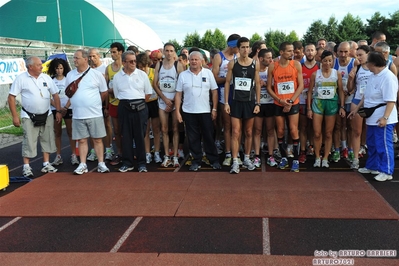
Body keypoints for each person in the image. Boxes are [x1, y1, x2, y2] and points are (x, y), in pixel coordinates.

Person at [8, 56, 63, 177]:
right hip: (28, 115)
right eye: (38, 65)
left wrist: (58, 111)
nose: (41, 66)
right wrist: (15, 116)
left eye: (41, 64)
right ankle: (26, 167)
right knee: (29, 140)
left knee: (47, 138)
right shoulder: (21, 79)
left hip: (47, 113)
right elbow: (11, 97)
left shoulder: (46, 77)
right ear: (30, 67)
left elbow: (55, 95)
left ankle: (46, 163)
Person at [349, 51, 398, 182]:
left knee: (383, 144)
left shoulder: (388, 77)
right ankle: (373, 166)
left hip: (382, 116)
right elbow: (366, 95)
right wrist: (357, 109)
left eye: (367, 62)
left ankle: (386, 170)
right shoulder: (373, 75)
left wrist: (385, 118)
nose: (366, 65)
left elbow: (391, 101)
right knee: (372, 143)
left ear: (373, 63)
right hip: (371, 116)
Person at [175, 51, 221, 171]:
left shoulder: (208, 73)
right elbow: (179, 94)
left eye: (196, 59)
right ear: (189, 61)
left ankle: (213, 160)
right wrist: (178, 112)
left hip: (205, 111)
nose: (194, 61)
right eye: (192, 59)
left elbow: (214, 91)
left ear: (201, 61)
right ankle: (196, 160)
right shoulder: (183, 75)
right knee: (192, 137)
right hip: (188, 111)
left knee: (208, 137)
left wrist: (214, 109)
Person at [66, 49, 109, 174]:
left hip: (94, 113)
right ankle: (83, 164)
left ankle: (101, 163)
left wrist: (96, 104)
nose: (74, 60)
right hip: (78, 114)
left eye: (77, 58)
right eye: (74, 58)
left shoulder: (96, 75)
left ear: (85, 59)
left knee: (97, 139)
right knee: (82, 140)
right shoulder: (70, 75)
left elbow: (104, 92)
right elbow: (70, 92)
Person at [224, 36, 261, 174]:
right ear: (238, 49)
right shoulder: (233, 64)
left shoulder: (254, 64)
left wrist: (258, 103)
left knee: (249, 131)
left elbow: (257, 84)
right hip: (236, 101)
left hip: (250, 102)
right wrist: (226, 102)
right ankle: (235, 161)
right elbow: (227, 83)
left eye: (247, 47)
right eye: (243, 47)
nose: (246, 49)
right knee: (235, 132)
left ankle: (246, 157)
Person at [267, 42, 304, 172]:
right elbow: (268, 87)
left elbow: (300, 86)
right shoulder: (273, 66)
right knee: (281, 131)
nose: (292, 53)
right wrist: (280, 100)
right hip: (278, 103)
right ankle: (283, 158)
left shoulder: (296, 65)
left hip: (293, 102)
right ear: (281, 52)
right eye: (289, 51)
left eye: (292, 50)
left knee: (294, 130)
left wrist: (290, 101)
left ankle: (295, 160)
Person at [112, 51, 152, 173]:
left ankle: (141, 164)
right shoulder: (117, 77)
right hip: (124, 107)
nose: (134, 63)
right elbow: (117, 94)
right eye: (131, 61)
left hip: (140, 107)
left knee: (140, 136)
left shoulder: (142, 75)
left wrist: (138, 104)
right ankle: (127, 163)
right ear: (124, 62)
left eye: (135, 61)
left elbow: (148, 93)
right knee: (126, 136)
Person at [307, 50, 344, 168]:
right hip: (318, 104)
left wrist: (342, 106)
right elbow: (309, 92)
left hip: (332, 105)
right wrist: (308, 108)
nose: (327, 63)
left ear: (333, 61)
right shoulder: (315, 74)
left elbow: (341, 91)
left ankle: (326, 158)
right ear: (321, 61)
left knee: (328, 133)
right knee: (317, 133)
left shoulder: (336, 73)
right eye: (325, 61)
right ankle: (317, 157)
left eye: (330, 61)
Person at [153, 42, 185, 168]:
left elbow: (181, 85)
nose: (169, 53)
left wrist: (173, 102)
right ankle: (166, 156)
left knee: (176, 128)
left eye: (171, 51)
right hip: (163, 101)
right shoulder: (159, 65)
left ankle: (175, 156)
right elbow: (155, 84)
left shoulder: (178, 65)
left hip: (175, 101)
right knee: (164, 129)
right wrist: (165, 99)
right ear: (163, 52)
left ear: (174, 52)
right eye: (167, 50)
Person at [212, 33, 240, 166]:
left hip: (237, 93)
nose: (239, 49)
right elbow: (214, 78)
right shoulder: (219, 57)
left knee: (237, 126)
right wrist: (229, 79)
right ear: (232, 46)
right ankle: (228, 153)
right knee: (227, 124)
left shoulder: (238, 56)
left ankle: (236, 151)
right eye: (238, 46)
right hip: (223, 92)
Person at [47, 58, 78, 166]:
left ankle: (74, 154)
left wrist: (65, 107)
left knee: (70, 132)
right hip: (56, 109)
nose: (59, 70)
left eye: (61, 68)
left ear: (64, 68)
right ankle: (58, 155)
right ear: (54, 69)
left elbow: (72, 94)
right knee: (57, 132)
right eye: (57, 68)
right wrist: (59, 108)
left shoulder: (67, 79)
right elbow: (49, 97)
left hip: (68, 108)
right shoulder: (50, 80)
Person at [332, 41, 359, 162]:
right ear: (337, 52)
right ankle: (339, 149)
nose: (343, 54)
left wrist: (351, 90)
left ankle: (351, 149)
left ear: (350, 52)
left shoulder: (355, 63)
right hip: (337, 99)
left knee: (350, 126)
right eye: (340, 52)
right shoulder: (333, 63)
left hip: (351, 100)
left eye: (345, 52)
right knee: (338, 125)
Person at [347, 45, 372, 169]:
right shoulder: (356, 68)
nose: (358, 57)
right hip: (357, 100)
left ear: (368, 54)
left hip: (372, 102)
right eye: (357, 55)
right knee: (356, 131)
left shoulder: (375, 69)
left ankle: (372, 159)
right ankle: (355, 158)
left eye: (361, 55)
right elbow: (350, 89)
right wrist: (351, 79)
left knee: (371, 131)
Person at [253, 48, 278, 167]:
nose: (271, 60)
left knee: (270, 131)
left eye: (271, 57)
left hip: (270, 103)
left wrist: (269, 84)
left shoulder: (272, 70)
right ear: (261, 58)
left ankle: (271, 156)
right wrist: (257, 83)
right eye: (268, 57)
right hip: (258, 103)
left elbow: (278, 85)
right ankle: (256, 156)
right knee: (257, 131)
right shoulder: (254, 70)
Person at [136, 52, 162, 164]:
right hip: (143, 103)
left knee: (156, 129)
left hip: (154, 102)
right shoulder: (137, 74)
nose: (142, 69)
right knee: (145, 130)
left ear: (148, 64)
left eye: (144, 66)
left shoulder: (153, 72)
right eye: (140, 67)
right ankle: (147, 153)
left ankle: (156, 152)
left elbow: (158, 85)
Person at [88, 48, 113, 161]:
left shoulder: (105, 69)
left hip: (103, 100)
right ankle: (93, 150)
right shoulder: (87, 70)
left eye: (94, 56)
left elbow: (106, 89)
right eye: (90, 56)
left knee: (106, 124)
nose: (92, 58)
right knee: (91, 127)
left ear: (98, 56)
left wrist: (106, 106)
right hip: (91, 102)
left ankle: (108, 149)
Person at [105, 42, 124, 166]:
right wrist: (106, 106)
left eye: (114, 52)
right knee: (116, 130)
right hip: (113, 103)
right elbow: (105, 88)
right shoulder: (109, 68)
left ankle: (129, 152)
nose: (112, 54)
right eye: (111, 52)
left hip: (125, 103)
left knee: (127, 130)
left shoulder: (126, 66)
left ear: (120, 52)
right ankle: (120, 152)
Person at [298, 43, 319, 163]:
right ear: (304, 53)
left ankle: (312, 147)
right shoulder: (299, 66)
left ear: (315, 52)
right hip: (302, 100)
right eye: (308, 50)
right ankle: (302, 151)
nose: (310, 52)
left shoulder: (320, 66)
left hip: (317, 101)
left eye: (312, 50)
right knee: (303, 127)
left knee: (315, 127)